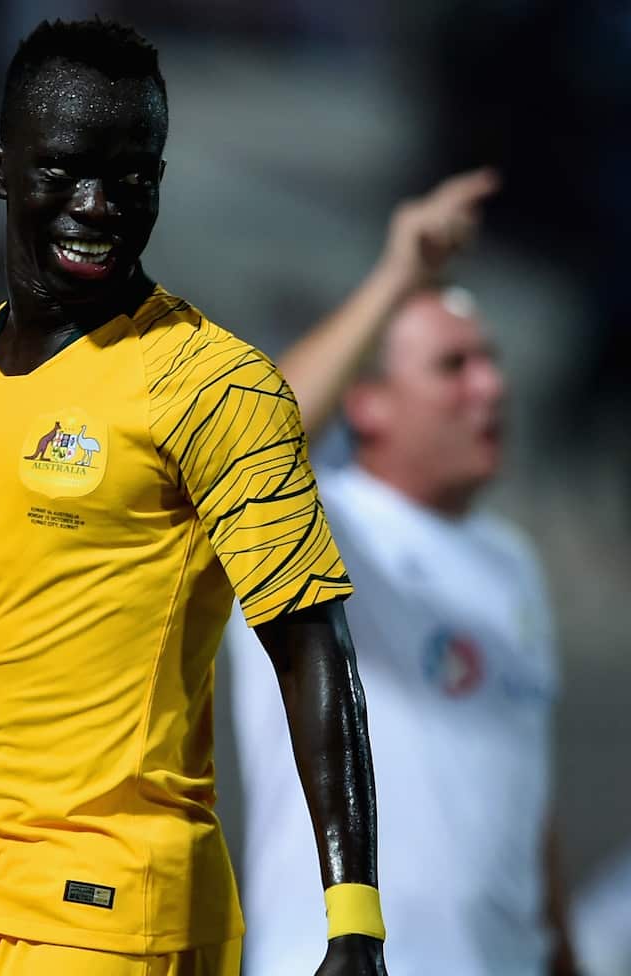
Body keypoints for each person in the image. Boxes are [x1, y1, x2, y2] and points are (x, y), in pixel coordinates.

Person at [0, 19, 388, 976]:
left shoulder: (218, 387)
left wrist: (353, 918)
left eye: (133, 177)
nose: (98, 204)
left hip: (109, 906)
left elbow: (313, 645)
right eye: (64, 171)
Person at [225, 172, 581, 974]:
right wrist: (398, 274)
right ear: (369, 404)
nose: (492, 386)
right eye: (453, 366)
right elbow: (257, 429)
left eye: (490, 361)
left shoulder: (512, 563)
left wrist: (564, 953)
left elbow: (523, 784)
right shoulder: (318, 526)